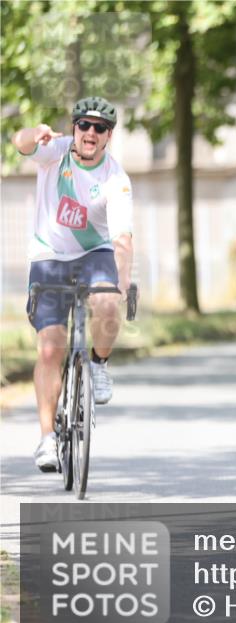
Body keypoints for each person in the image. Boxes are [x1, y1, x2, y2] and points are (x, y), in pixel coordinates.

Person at [11, 96, 133, 472]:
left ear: (108, 136)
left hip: (93, 253)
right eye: (84, 125)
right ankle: (47, 439)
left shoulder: (115, 178)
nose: (90, 133)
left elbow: (122, 240)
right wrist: (36, 132)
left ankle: (97, 364)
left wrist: (122, 286)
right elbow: (20, 143)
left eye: (100, 128)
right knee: (50, 348)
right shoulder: (56, 152)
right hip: (48, 256)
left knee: (108, 304)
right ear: (75, 128)